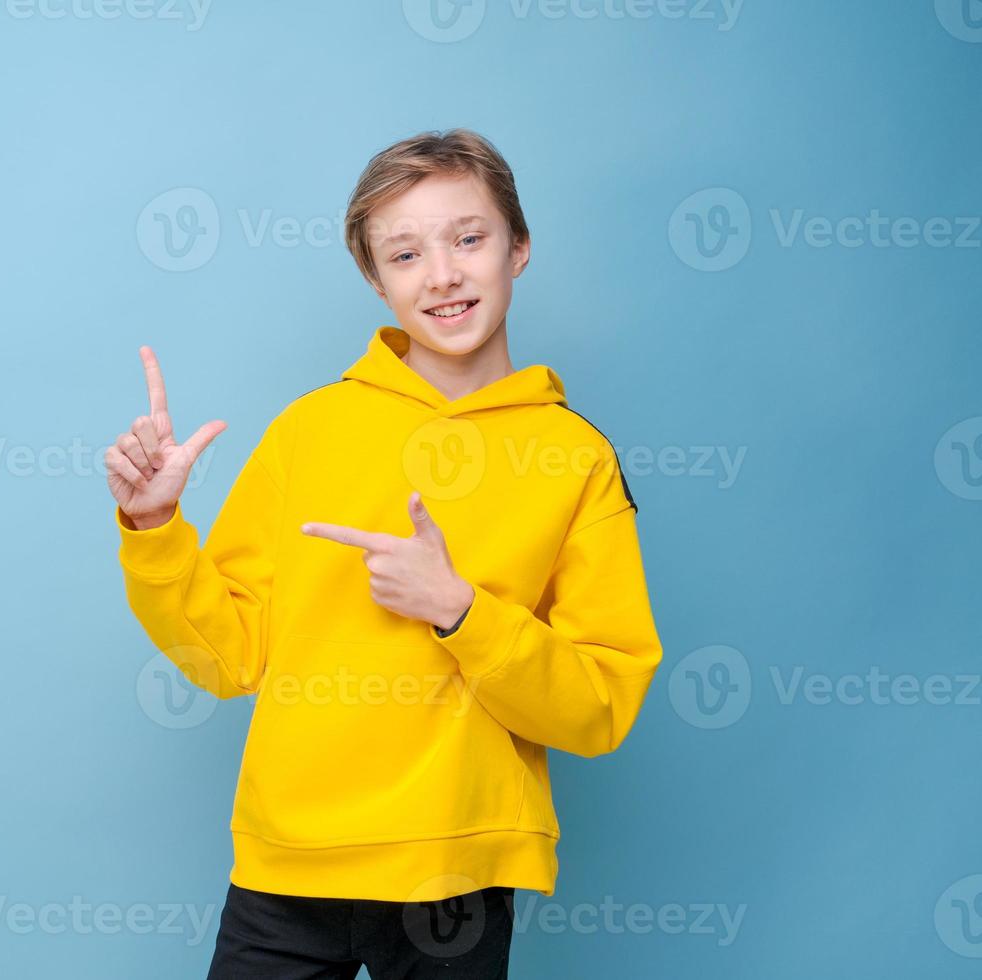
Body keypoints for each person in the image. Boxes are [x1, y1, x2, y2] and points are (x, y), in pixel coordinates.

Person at [106, 129, 664, 979]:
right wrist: (153, 533)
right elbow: (227, 658)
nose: (441, 274)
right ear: (376, 279)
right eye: (405, 254)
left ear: (519, 249)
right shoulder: (308, 432)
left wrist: (459, 610)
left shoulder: (575, 457)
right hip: (289, 867)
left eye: (468, 239)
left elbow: (598, 707)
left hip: (457, 877)